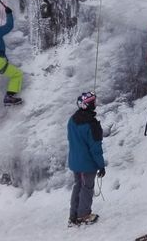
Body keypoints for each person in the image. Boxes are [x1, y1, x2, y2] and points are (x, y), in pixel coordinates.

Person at [67, 91, 105, 227]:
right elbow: (95, 149)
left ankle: (73, 215)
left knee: (78, 186)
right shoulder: (91, 124)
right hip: (87, 164)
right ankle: (83, 215)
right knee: (87, 188)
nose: (95, 104)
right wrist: (101, 165)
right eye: (93, 102)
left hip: (75, 161)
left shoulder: (72, 119)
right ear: (88, 105)